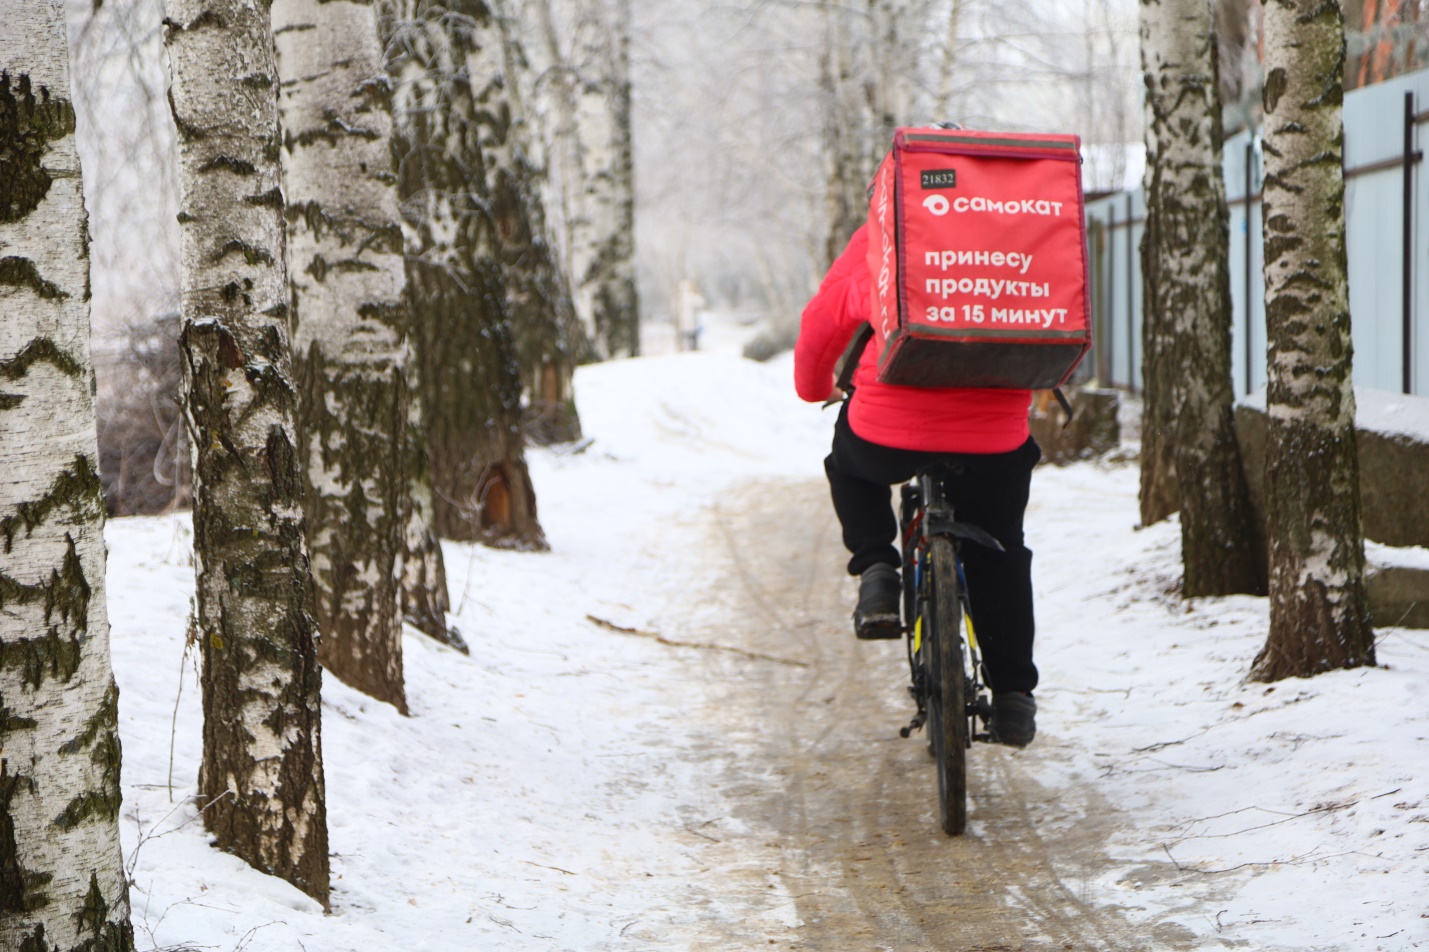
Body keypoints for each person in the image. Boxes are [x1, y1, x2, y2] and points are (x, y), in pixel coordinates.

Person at [794, 223, 1041, 747]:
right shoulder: (1017, 231)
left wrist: (812, 388)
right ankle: (1014, 697)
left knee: (848, 465)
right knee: (1000, 550)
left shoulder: (883, 233)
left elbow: (823, 320)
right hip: (993, 433)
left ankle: (878, 570)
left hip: (888, 428)